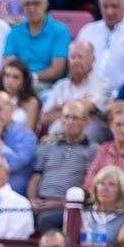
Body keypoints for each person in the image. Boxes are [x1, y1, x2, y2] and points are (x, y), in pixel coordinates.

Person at [28, 99, 96, 231]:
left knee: (47, 219)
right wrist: (32, 200)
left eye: (75, 118)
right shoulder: (48, 146)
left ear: (86, 123)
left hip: (69, 205)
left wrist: (60, 203)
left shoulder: (92, 150)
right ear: (61, 120)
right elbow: (35, 177)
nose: (70, 122)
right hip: (42, 202)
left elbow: (89, 186)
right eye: (66, 117)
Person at [41, 41, 111, 144]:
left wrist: (60, 107)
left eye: (80, 57)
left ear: (92, 60)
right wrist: (80, 106)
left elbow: (90, 106)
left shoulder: (102, 84)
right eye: (73, 57)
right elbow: (45, 118)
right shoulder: (60, 86)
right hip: (57, 143)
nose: (76, 61)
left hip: (86, 145)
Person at [1, 0, 69, 90]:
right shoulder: (15, 32)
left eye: (36, 3)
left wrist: (30, 77)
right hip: (17, 81)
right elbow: (9, 63)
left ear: (46, 5)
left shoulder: (60, 31)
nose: (32, 8)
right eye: (27, 4)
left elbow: (57, 70)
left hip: (46, 83)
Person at [85, 105, 124, 205]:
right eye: (118, 125)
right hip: (100, 205)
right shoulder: (104, 149)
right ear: (111, 126)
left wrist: (105, 196)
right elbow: (89, 181)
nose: (122, 129)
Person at [80, 165, 124, 247]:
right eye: (101, 183)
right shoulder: (83, 212)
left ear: (121, 190)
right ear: (95, 187)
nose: (104, 188)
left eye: (111, 184)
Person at [0, 59, 40, 130]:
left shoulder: (31, 102)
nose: (10, 80)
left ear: (24, 81)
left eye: (15, 77)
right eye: (7, 75)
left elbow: (30, 132)